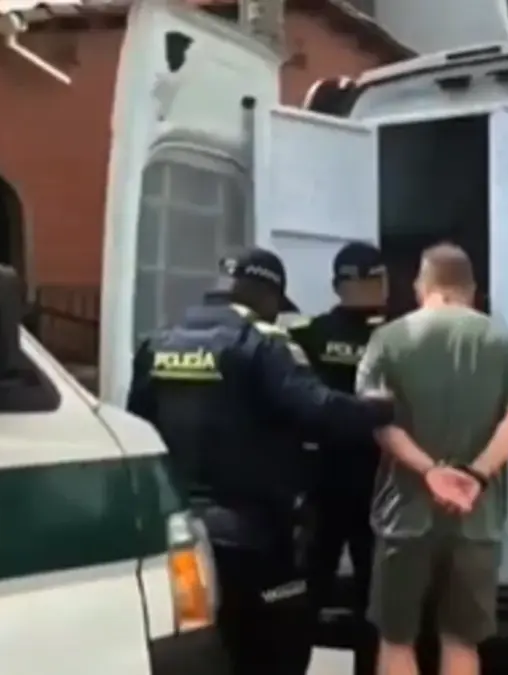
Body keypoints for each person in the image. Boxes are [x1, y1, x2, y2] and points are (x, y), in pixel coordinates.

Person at [124, 246, 408, 675]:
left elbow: (138, 428)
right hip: (253, 533)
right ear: (268, 293)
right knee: (273, 647)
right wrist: (381, 409)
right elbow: (317, 410)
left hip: (182, 530)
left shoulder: (159, 340)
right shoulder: (260, 341)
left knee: (198, 648)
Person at [355, 243, 508, 675]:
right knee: (461, 642)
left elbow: (379, 421)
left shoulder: (388, 339)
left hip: (405, 513)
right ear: (471, 289)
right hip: (476, 515)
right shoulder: (507, 344)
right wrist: (476, 475)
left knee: (397, 640)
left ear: (423, 284)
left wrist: (430, 471)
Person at [290, 242, 387, 675]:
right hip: (371, 482)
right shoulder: (395, 337)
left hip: (326, 480)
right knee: (371, 596)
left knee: (311, 591)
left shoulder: (307, 335)